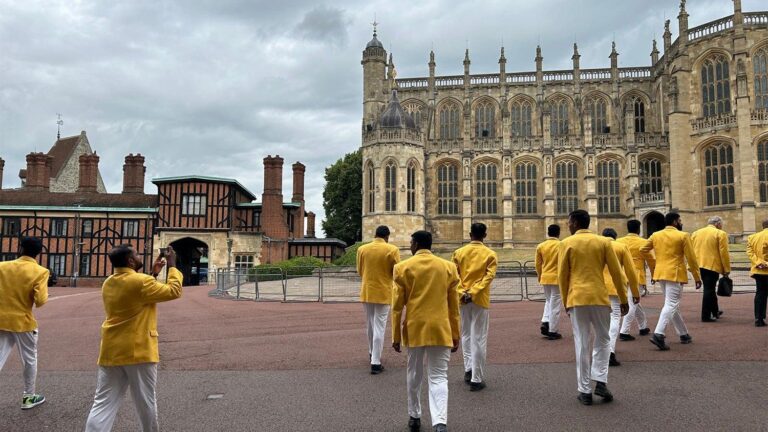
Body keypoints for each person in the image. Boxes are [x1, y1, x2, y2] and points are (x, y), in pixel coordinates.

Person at [84, 245, 183, 432]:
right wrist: (172, 265)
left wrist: (152, 274)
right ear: (130, 261)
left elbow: (136, 293)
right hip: (139, 350)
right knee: (145, 401)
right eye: (136, 255)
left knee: (103, 403)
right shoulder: (142, 281)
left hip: (111, 350)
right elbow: (174, 291)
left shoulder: (109, 282)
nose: (139, 257)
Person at [392, 231, 460, 432]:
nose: (410, 245)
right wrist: (455, 334)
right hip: (440, 328)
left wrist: (396, 336)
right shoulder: (448, 268)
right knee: (439, 377)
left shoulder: (402, 268)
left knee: (414, 374)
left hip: (415, 328)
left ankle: (414, 416)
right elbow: (453, 307)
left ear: (416, 244)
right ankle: (440, 422)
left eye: (411, 242)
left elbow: (397, 307)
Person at [558, 210, 628, 406]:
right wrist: (623, 299)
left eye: (569, 221)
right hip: (599, 296)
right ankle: (601, 380)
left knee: (581, 343)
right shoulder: (604, 242)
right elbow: (617, 273)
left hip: (577, 298)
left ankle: (585, 390)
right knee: (604, 339)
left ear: (576, 222)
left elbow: (562, 276)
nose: (568, 225)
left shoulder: (566, 243)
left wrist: (565, 301)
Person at [0, 237, 49, 409]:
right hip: (23, 321)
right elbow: (41, 301)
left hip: (1, 318)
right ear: (39, 252)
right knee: (29, 359)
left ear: (20, 248)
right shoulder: (41, 271)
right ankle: (29, 396)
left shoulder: (2, 266)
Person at [641, 212, 701, 351]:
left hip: (661, 272)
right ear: (675, 222)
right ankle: (659, 334)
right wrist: (697, 277)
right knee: (671, 304)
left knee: (672, 304)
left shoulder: (656, 235)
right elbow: (691, 258)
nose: (681, 223)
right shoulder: (683, 235)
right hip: (675, 273)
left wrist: (656, 263)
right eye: (679, 220)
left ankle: (683, 334)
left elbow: (642, 249)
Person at [452, 222, 497, 391]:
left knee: (466, 335)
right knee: (479, 338)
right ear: (485, 235)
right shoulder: (490, 254)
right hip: (479, 299)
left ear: (470, 234)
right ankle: (476, 378)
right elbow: (488, 277)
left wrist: (463, 291)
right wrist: (474, 291)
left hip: (463, 299)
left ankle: (468, 369)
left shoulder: (459, 252)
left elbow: (455, 276)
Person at [356, 225, 400, 374]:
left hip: (367, 291)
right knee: (380, 327)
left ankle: (371, 352)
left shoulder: (362, 249)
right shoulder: (392, 249)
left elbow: (360, 270)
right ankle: (375, 361)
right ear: (387, 237)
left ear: (375, 235)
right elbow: (396, 273)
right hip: (383, 292)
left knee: (370, 324)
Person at [601, 228, 639, 367]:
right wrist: (635, 292)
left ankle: (602, 349)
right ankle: (610, 351)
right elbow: (631, 271)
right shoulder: (621, 247)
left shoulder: (597, 246)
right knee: (615, 318)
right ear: (615, 237)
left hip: (599, 287)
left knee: (602, 320)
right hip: (616, 287)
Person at [617, 220, 654, 339]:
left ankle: (643, 327)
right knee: (632, 302)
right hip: (636, 275)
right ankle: (624, 331)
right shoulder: (643, 242)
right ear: (638, 229)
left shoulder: (619, 241)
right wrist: (654, 275)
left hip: (622, 274)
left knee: (635, 302)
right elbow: (651, 260)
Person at [691, 216, 730, 322]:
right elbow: (724, 253)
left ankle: (715, 311)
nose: (722, 226)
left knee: (710, 288)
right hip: (712, 265)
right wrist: (726, 269)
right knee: (709, 289)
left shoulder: (696, 233)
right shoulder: (720, 233)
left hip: (698, 265)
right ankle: (706, 316)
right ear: (717, 224)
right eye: (721, 224)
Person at [535, 224, 563, 340]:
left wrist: (540, 276)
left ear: (548, 233)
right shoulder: (561, 245)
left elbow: (538, 264)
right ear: (558, 233)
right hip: (557, 278)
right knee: (555, 304)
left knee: (548, 300)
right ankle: (553, 330)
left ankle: (546, 321)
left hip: (545, 277)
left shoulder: (541, 246)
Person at [746, 220, 768, 327]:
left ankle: (758, 318)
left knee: (760, 294)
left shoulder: (752, 237)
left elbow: (750, 253)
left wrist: (759, 262)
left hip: (758, 270)